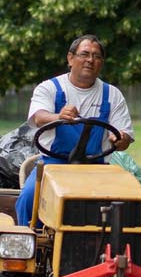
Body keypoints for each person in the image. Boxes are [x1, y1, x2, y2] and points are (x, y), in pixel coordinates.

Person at [13, 34, 134, 226]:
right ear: (70, 58)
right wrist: (58, 117)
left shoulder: (112, 95)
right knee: (29, 198)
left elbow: (124, 138)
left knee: (125, 204)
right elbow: (38, 116)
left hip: (96, 168)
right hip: (54, 164)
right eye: (84, 54)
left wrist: (120, 139)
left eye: (96, 56)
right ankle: (29, 244)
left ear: (101, 63)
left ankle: (112, 247)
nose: (90, 60)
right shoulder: (50, 88)